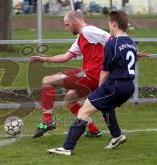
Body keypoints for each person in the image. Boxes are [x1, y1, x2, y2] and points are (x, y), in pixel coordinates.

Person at [47, 10, 138, 156]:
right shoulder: (132, 44)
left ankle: (67, 147)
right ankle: (117, 135)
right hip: (129, 86)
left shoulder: (111, 44)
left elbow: (105, 70)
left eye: (109, 23)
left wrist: (100, 87)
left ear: (114, 24)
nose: (108, 27)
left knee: (83, 111)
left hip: (114, 85)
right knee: (106, 106)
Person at [30, 11, 111, 138]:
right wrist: (44, 59)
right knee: (69, 101)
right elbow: (65, 57)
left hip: (90, 75)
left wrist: (130, 51)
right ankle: (94, 130)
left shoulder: (88, 31)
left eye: (67, 25)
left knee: (47, 81)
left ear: (75, 22)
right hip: (92, 78)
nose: (66, 29)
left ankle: (47, 120)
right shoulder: (80, 38)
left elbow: (112, 38)